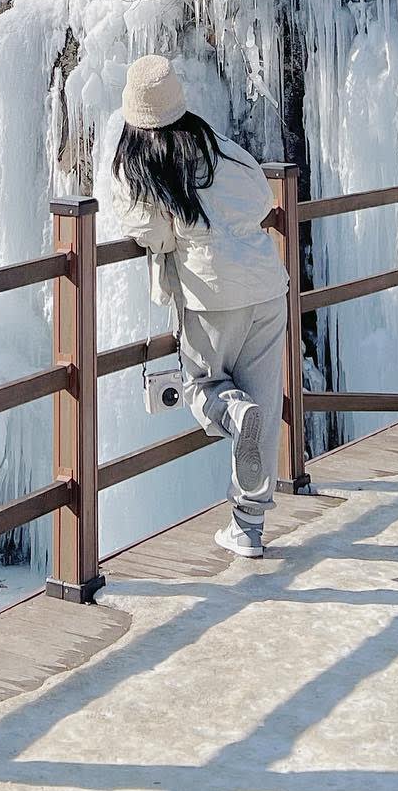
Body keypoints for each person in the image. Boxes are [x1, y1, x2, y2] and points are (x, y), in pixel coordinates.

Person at [110, 53, 288, 559]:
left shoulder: (145, 165)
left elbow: (152, 235)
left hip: (214, 297)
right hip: (267, 287)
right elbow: (262, 199)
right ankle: (248, 527)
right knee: (266, 403)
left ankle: (234, 413)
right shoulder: (221, 148)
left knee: (203, 386)